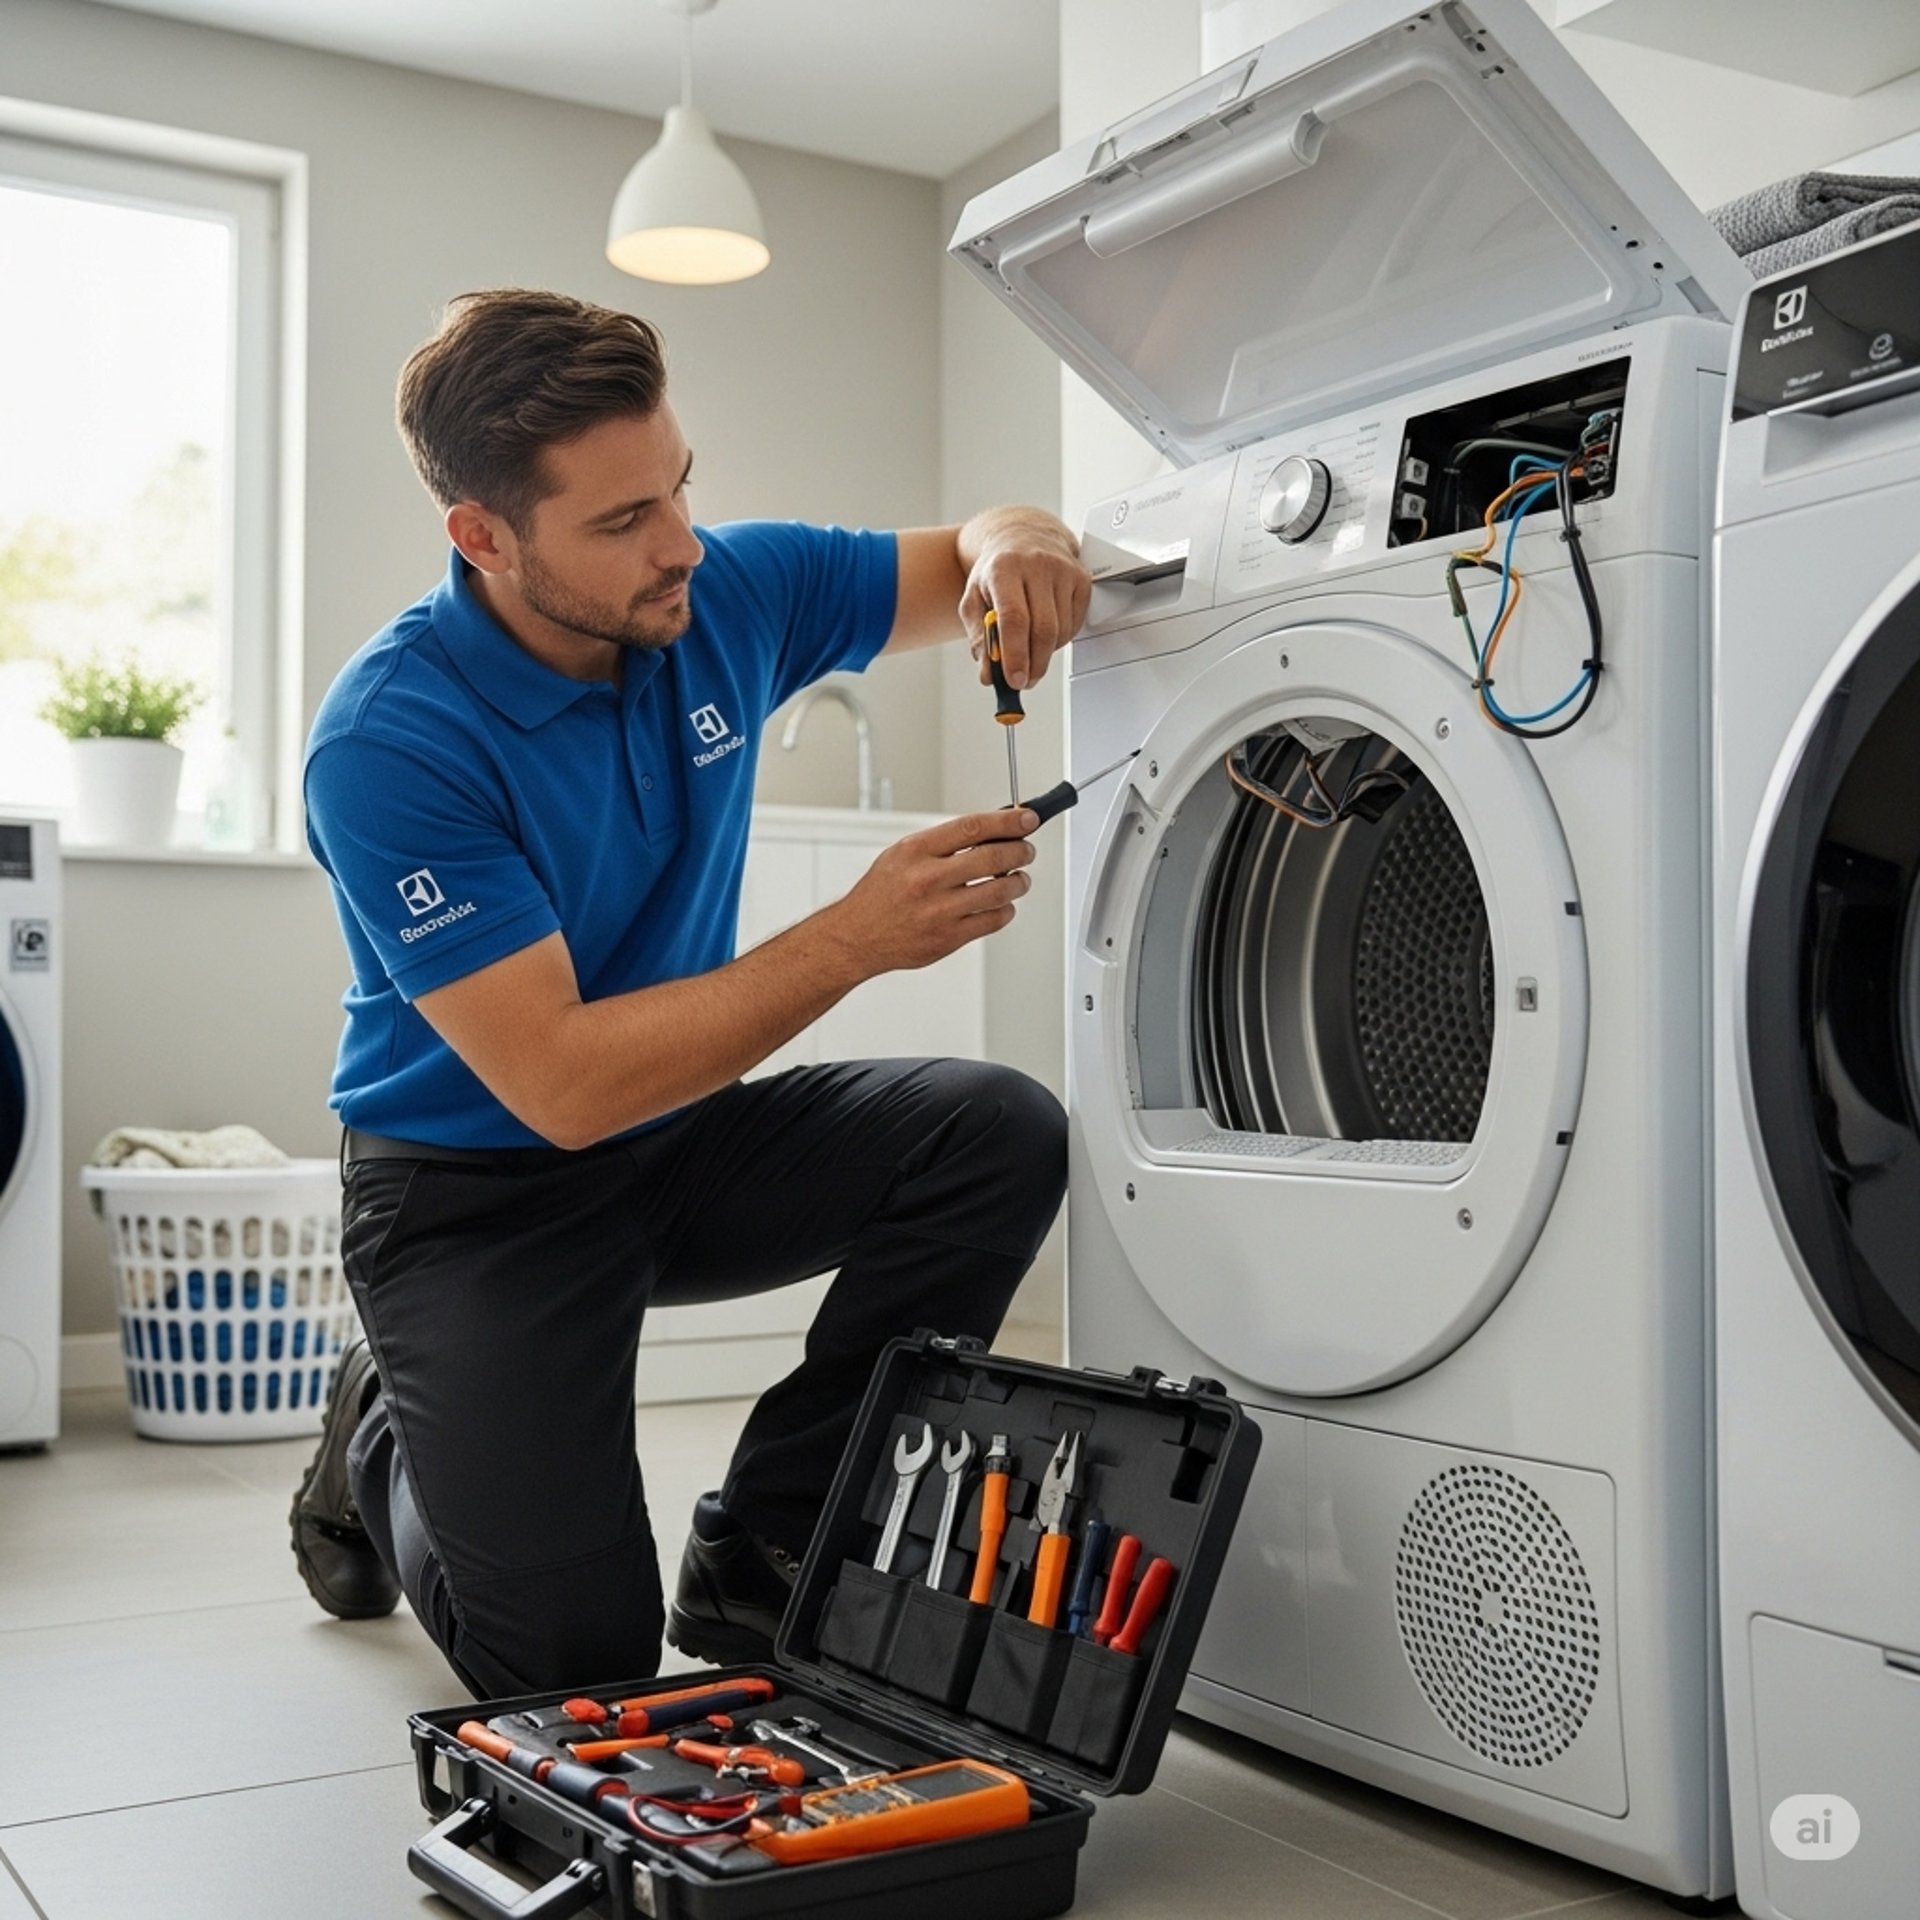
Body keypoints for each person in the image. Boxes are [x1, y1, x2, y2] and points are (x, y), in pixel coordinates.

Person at [287, 287, 1090, 1698]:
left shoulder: (721, 591)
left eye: (680, 489)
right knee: (577, 1669)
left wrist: (1019, 540)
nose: (677, 547)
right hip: (474, 1194)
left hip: (673, 1144)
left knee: (999, 1130)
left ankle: (774, 1549)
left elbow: (965, 548)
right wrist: (851, 941)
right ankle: (383, 1429)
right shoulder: (389, 739)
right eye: (618, 521)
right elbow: (562, 1081)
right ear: (482, 537)